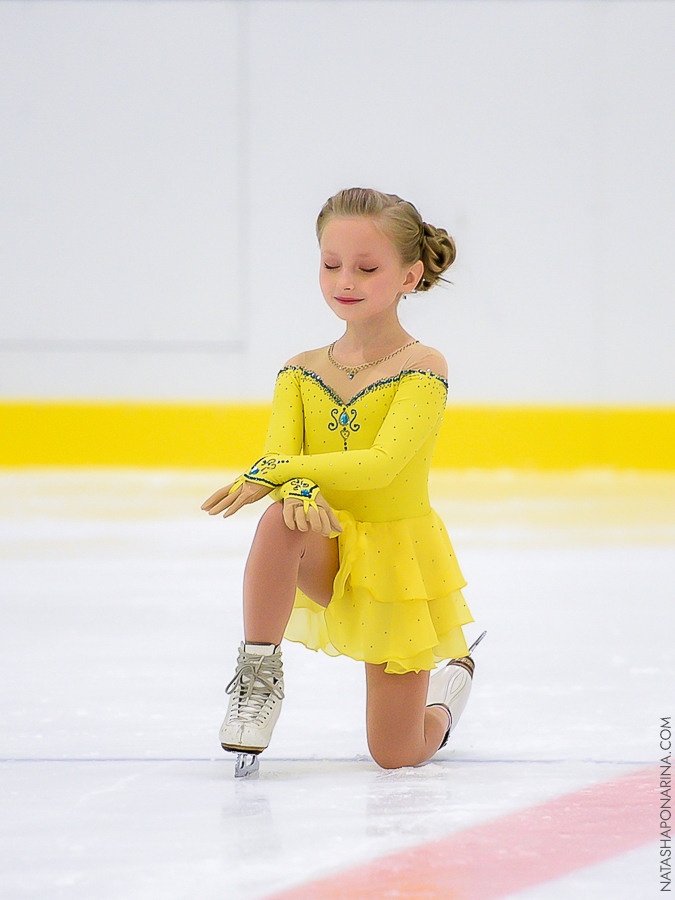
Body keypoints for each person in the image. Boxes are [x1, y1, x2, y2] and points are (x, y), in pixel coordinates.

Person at [202, 187, 478, 771]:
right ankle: (257, 679)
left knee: (395, 755)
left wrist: (280, 472)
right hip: (325, 547)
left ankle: (446, 696)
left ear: (409, 276)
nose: (344, 280)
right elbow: (284, 460)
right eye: (330, 265)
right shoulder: (300, 370)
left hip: (397, 565)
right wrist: (295, 489)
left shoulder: (423, 366)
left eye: (366, 267)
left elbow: (380, 465)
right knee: (281, 517)